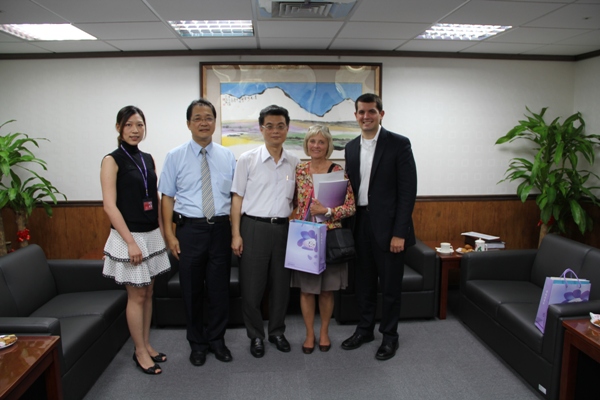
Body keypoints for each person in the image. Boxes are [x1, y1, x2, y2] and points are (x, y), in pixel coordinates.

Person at [158, 99, 236, 367]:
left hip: (221, 229)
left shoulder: (227, 156)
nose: (204, 122)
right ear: (189, 123)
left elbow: (235, 197)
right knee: (191, 289)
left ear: (215, 122)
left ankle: (217, 340)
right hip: (189, 230)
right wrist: (169, 235)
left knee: (218, 288)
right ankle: (197, 343)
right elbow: (166, 198)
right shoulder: (175, 156)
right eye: (198, 118)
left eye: (209, 118)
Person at [342, 93, 417, 361]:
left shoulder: (398, 144)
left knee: (390, 286)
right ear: (356, 116)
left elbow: (408, 192)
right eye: (361, 112)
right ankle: (364, 330)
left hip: (389, 230)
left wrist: (400, 233)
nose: (366, 116)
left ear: (381, 114)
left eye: (371, 111)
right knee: (363, 284)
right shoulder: (350, 147)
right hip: (359, 225)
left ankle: (389, 337)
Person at [101, 105, 171, 375]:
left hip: (151, 234)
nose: (134, 130)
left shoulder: (147, 158)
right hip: (128, 235)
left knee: (149, 292)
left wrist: (163, 233)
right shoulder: (111, 159)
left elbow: (153, 198)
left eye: (139, 125)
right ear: (119, 127)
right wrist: (130, 242)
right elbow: (109, 205)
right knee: (137, 295)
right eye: (129, 124)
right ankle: (139, 351)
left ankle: (147, 344)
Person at [231, 104, 300, 358]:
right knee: (252, 287)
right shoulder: (247, 160)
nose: (275, 130)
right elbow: (236, 200)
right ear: (261, 129)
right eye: (269, 126)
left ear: (287, 128)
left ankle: (277, 332)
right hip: (253, 228)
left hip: (283, 229)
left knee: (281, 286)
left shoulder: (294, 162)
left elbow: (297, 201)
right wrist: (236, 234)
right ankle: (256, 336)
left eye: (280, 125)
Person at [290, 125, 355, 354]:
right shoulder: (299, 170)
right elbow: (292, 201)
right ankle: (309, 334)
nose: (316, 145)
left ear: (328, 145)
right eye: (312, 141)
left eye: (321, 142)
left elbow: (350, 207)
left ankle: (324, 332)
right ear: (306, 144)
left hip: (329, 237)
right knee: (306, 290)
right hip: (304, 237)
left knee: (327, 290)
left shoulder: (336, 171)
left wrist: (327, 211)